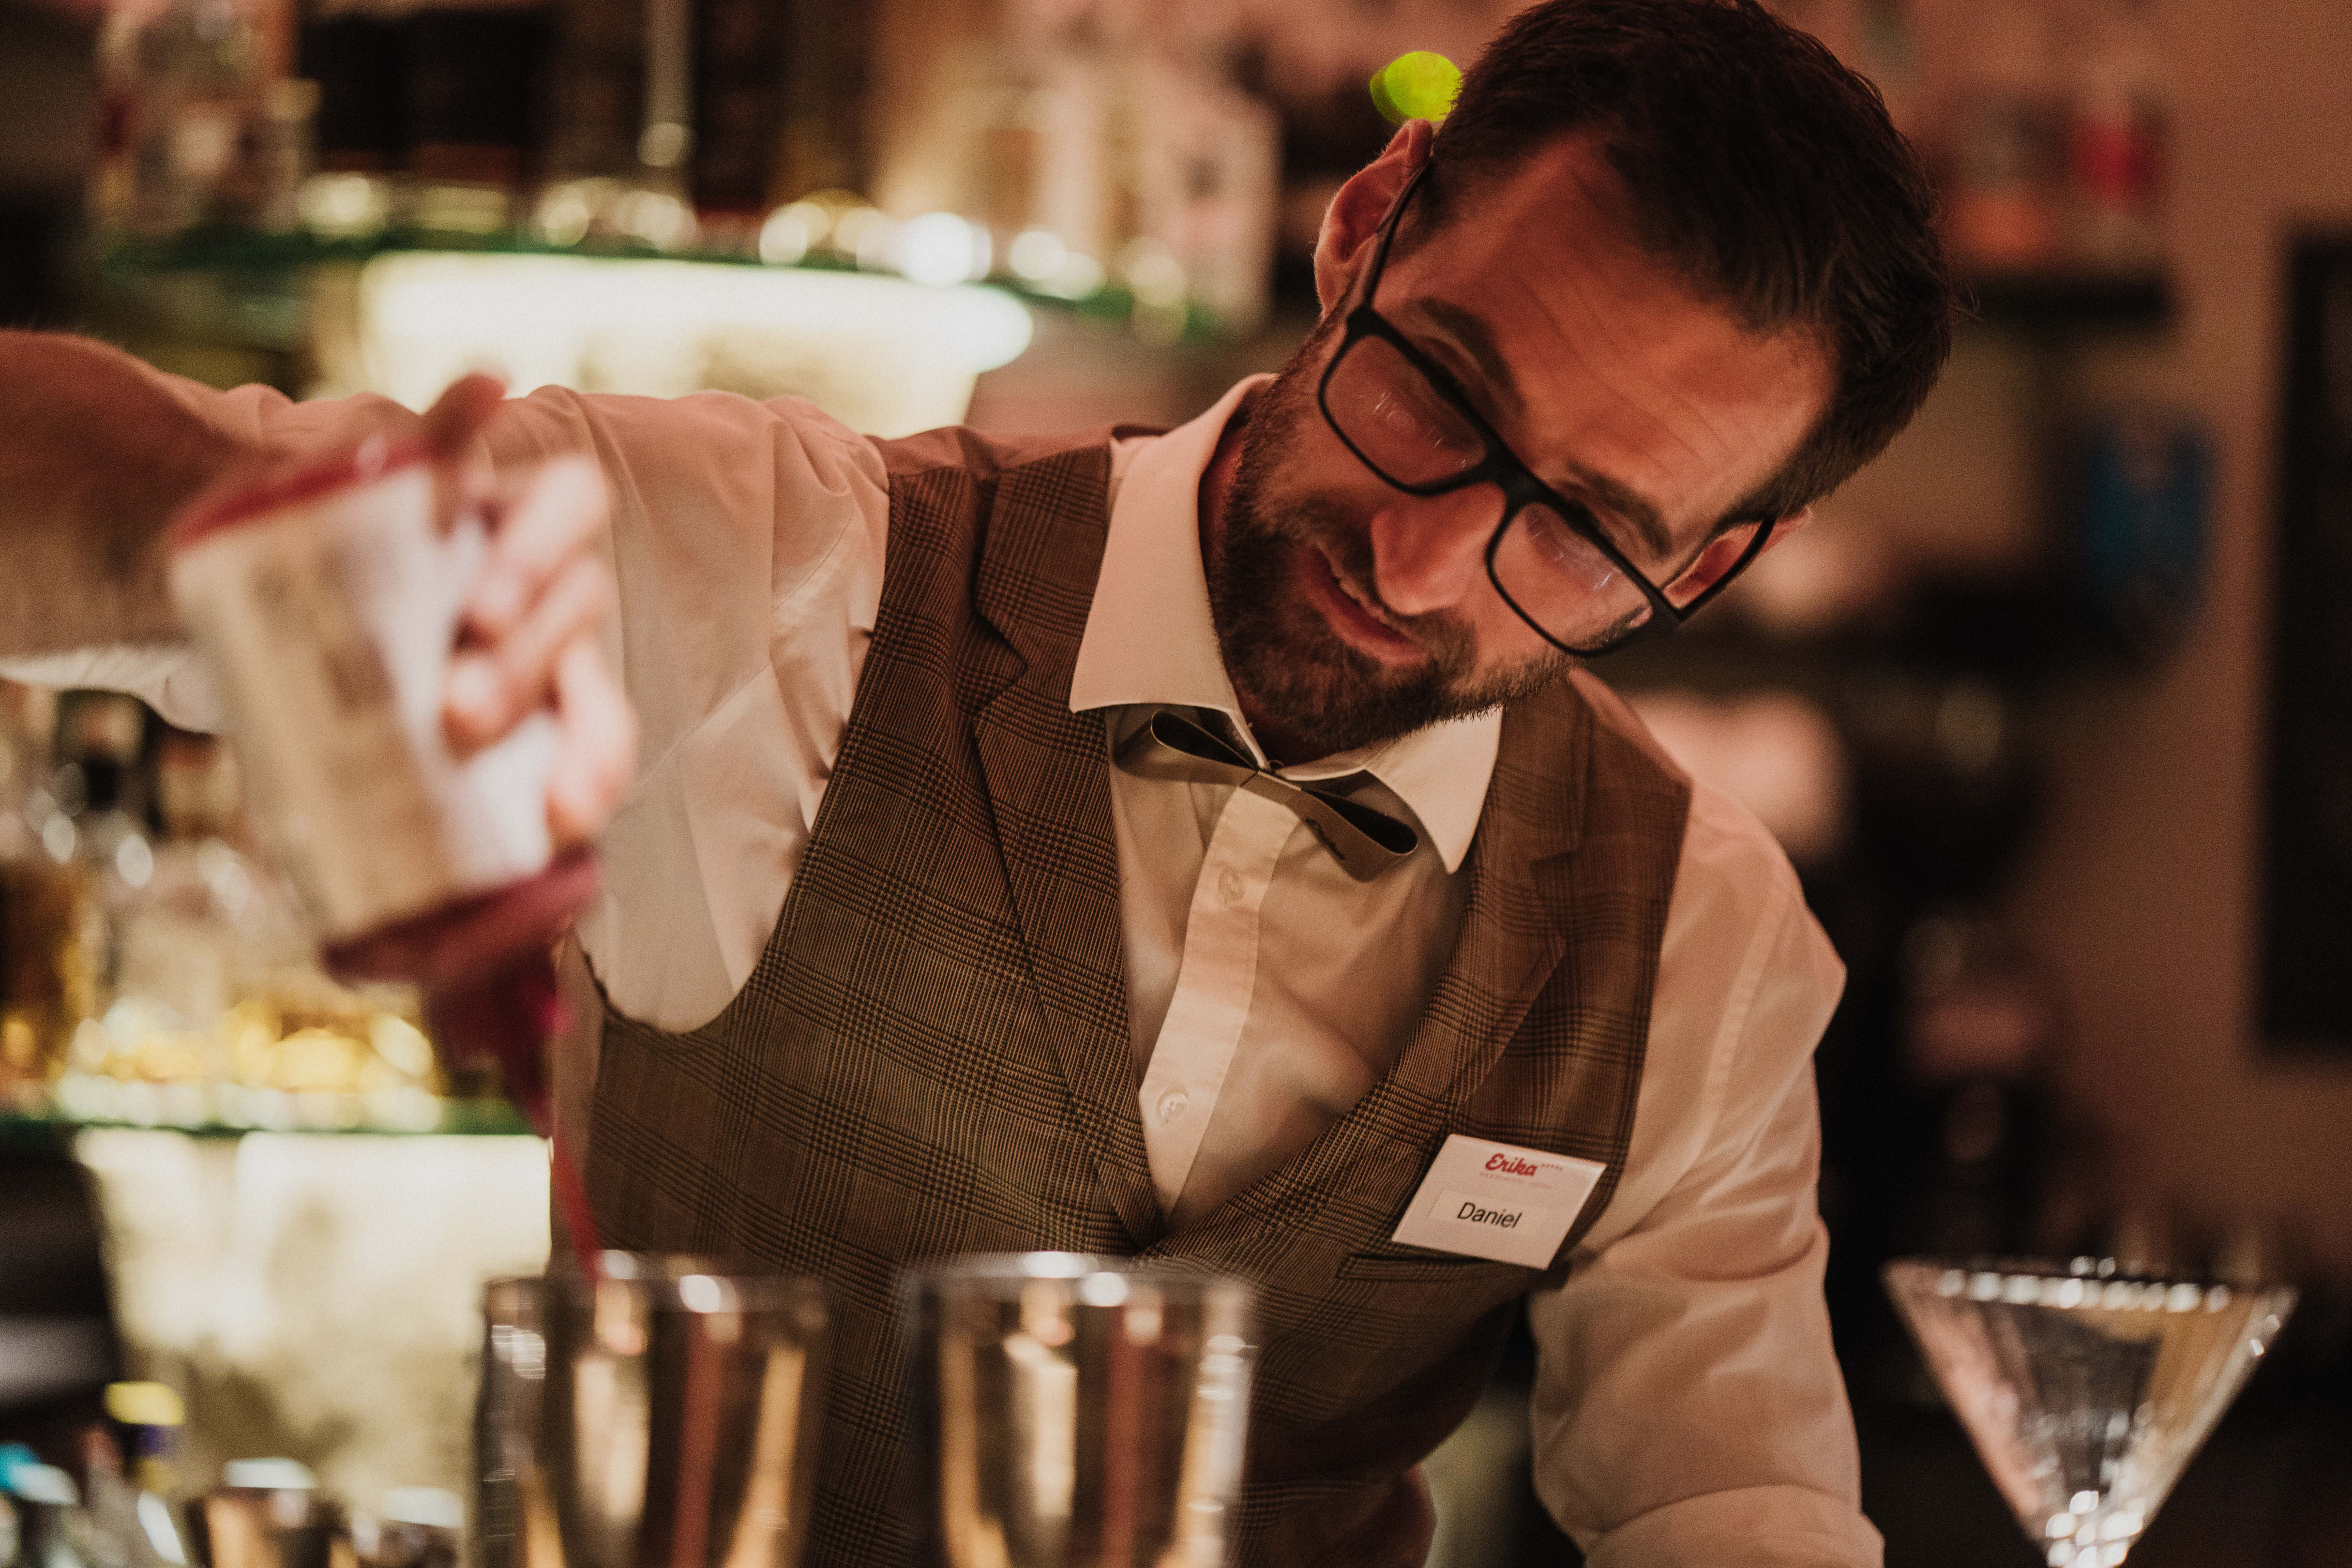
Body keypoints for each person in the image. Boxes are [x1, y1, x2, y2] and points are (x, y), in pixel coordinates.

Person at [0, 0, 1956, 1561]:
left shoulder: (1693, 936)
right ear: (1368, 220)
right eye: (1439, 389)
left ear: (1714, 560)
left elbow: (1734, 1511)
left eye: (1587, 533)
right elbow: (104, 489)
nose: (1427, 559)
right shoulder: (769, 576)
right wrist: (282, 552)